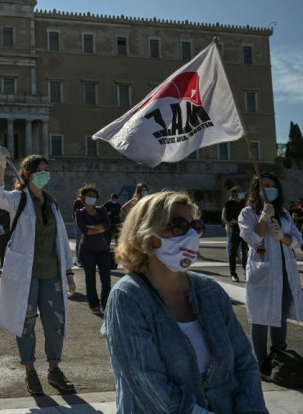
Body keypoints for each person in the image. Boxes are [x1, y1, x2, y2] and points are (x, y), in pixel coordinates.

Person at [102, 190, 267, 412]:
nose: (190, 236)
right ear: (147, 234)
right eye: (178, 226)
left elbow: (244, 363)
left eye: (195, 227)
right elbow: (150, 388)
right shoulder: (128, 297)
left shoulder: (210, 291)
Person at [0, 148, 76, 397]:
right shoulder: (18, 199)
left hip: (51, 273)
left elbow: (60, 240)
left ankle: (54, 369)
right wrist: (2, 165)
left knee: (55, 323)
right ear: (26, 174)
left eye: (47, 171)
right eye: (40, 172)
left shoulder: (52, 203)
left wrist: (68, 272)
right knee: (25, 324)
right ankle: (30, 372)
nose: (45, 175)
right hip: (25, 274)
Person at [239, 172, 303, 366]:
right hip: (263, 271)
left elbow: (298, 241)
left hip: (285, 271)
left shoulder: (283, 214)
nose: (269, 189)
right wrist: (263, 219)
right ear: (256, 190)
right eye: (264, 186)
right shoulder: (248, 213)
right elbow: (252, 239)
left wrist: (281, 235)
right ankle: (261, 361)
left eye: (272, 185)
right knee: (259, 318)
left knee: (280, 317)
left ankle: (279, 357)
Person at [74, 184, 111, 315]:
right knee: (90, 279)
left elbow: (107, 225)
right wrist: (99, 228)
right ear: (83, 197)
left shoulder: (102, 210)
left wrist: (92, 227)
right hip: (87, 250)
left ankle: (106, 304)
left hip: (103, 250)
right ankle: (94, 305)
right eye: (89, 195)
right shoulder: (79, 213)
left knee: (106, 279)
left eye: (94, 196)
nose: (92, 198)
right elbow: (85, 231)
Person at [222, 186, 248, 282]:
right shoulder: (228, 204)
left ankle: (246, 272)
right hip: (235, 231)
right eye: (239, 192)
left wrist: (240, 221)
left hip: (245, 231)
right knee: (233, 253)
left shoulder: (244, 203)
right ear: (233, 194)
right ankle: (233, 274)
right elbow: (231, 219)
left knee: (245, 252)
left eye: (241, 191)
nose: (241, 193)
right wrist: (242, 221)